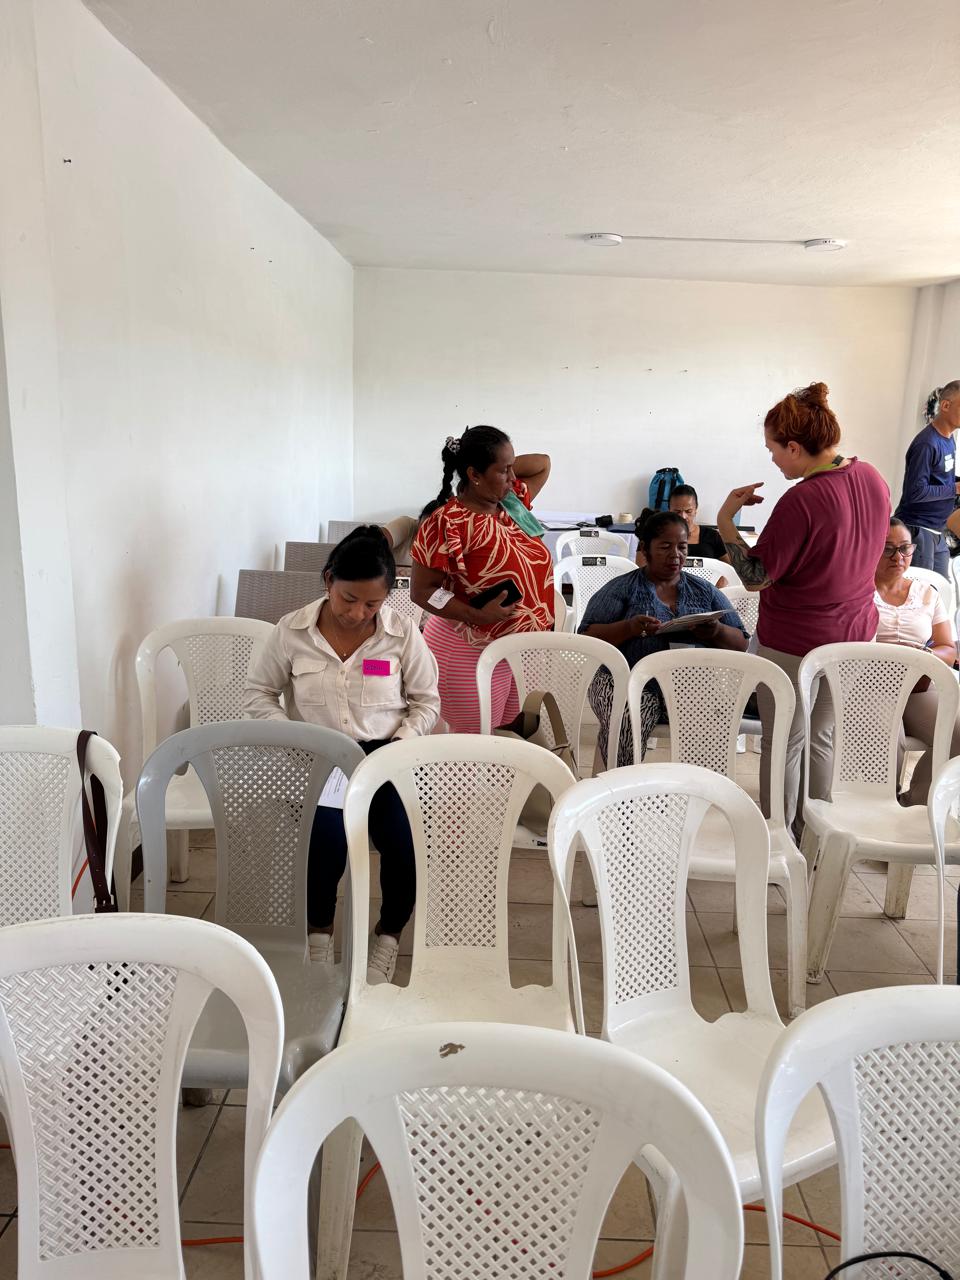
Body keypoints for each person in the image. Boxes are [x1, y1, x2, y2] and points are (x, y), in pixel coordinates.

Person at [242, 526, 440, 984]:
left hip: (385, 755)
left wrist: (402, 742)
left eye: (372, 604)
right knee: (324, 841)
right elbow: (259, 693)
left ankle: (388, 936)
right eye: (349, 599)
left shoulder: (402, 633)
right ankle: (319, 936)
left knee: (404, 843)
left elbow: (427, 702)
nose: (357, 613)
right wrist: (293, 738)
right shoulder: (291, 631)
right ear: (329, 580)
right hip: (319, 757)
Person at [717, 381, 890, 834]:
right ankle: (814, 838)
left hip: (797, 642)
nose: (773, 460)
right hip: (853, 637)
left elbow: (755, 578)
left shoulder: (802, 500)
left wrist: (725, 521)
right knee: (822, 738)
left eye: (773, 450)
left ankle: (779, 840)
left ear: (794, 447)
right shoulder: (872, 477)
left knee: (784, 743)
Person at [411, 426, 553, 732]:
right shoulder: (445, 523)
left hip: (516, 652)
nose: (513, 477)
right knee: (474, 747)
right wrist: (475, 614)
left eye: (513, 467)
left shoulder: (512, 502)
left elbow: (543, 463)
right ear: (474, 474)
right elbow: (423, 592)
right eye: (503, 471)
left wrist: (500, 462)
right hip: (467, 650)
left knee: (508, 734)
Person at [578, 510, 748, 766]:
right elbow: (586, 637)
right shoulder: (622, 588)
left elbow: (742, 643)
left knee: (715, 721)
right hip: (624, 681)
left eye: (682, 547)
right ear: (645, 549)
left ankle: (694, 786)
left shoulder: (704, 591)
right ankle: (619, 786)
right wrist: (629, 628)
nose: (675, 555)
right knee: (628, 719)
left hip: (689, 686)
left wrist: (716, 632)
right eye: (665, 547)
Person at [874, 518, 960, 804]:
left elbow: (948, 648)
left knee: (958, 732)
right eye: (888, 549)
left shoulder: (927, 593)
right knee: (888, 744)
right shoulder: (858, 591)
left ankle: (916, 801)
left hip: (918, 688)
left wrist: (926, 657)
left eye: (905, 548)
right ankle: (882, 805)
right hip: (872, 688)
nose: (898, 557)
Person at [893, 380, 960, 576]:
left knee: (937, 589)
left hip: (937, 531)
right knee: (919, 587)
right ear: (945, 405)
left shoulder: (949, 440)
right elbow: (915, 492)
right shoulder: (927, 443)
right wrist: (955, 489)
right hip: (917, 530)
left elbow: (940, 478)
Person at [667, 484, 731, 587]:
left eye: (688, 511)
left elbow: (730, 566)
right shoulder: (659, 536)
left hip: (708, 592)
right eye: (677, 511)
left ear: (696, 509)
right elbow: (643, 566)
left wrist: (720, 583)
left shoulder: (712, 536)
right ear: (669, 510)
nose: (683, 516)